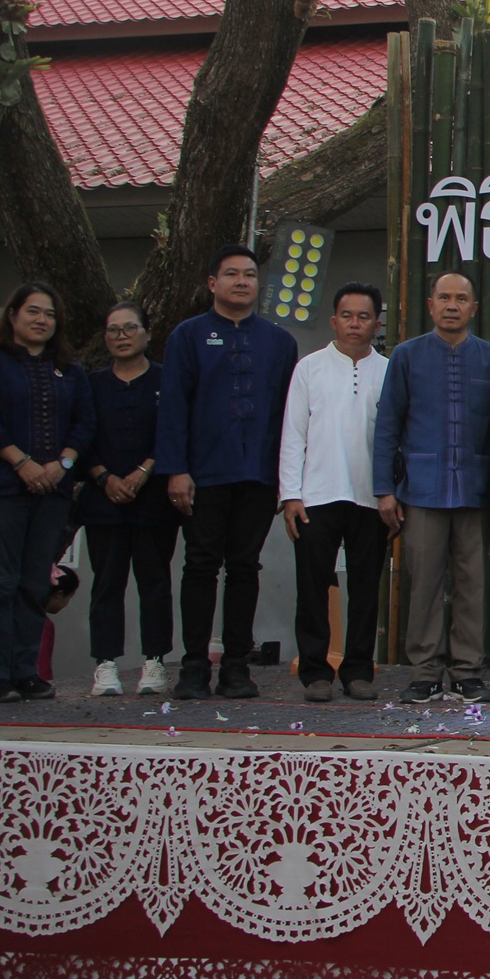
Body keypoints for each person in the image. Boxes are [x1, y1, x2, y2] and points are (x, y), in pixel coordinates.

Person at [156, 246, 299, 701]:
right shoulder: (188, 336)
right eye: (232, 274)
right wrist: (175, 469)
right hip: (203, 473)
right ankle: (194, 665)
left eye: (251, 275)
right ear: (212, 283)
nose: (242, 281)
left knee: (244, 567)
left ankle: (236, 665)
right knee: (200, 565)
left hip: (258, 473)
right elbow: (174, 407)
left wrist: (287, 479)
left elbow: (288, 415)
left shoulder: (279, 342)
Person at [372, 271, 490, 704]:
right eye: (444, 297)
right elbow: (388, 425)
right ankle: (425, 671)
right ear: (430, 304)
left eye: (461, 298)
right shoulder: (407, 356)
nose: (452, 305)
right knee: (424, 583)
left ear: (473, 307)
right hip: (421, 489)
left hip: (474, 490)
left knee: (472, 584)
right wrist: (384, 489)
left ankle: (468, 671)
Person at [0, 283, 95, 703]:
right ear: (12, 315)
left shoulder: (69, 370)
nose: (41, 321)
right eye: (33, 311)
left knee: (34, 583)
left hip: (51, 491)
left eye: (49, 315)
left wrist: (62, 463)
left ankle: (25, 670)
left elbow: (85, 424)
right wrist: (22, 463)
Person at [278, 283, 389, 702]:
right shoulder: (310, 368)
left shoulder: (389, 370)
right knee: (312, 587)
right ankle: (315, 672)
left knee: (365, 587)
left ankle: (358, 671)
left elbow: (395, 440)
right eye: (347, 315)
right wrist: (291, 494)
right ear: (334, 320)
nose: (355, 323)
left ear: (377, 323)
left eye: (364, 316)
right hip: (316, 495)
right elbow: (293, 435)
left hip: (371, 498)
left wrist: (391, 494)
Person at [78, 301, 177, 698]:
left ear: (147, 333)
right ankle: (105, 664)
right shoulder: (90, 384)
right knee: (106, 583)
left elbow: (174, 431)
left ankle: (154, 662)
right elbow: (80, 435)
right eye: (113, 330)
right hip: (103, 499)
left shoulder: (166, 380)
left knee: (154, 581)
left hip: (153, 498)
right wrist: (103, 476)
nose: (121, 336)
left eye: (129, 328)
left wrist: (143, 471)